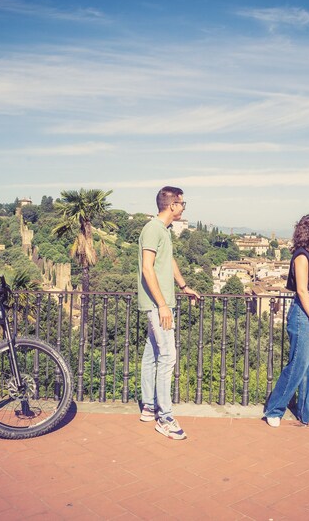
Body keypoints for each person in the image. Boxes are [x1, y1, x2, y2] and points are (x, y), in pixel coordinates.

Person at [138, 186, 200, 440]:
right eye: (183, 204)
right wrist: (163, 304)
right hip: (157, 305)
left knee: (152, 354)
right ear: (172, 205)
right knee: (168, 357)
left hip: (160, 302)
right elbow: (147, 268)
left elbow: (168, 261)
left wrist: (184, 286)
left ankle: (148, 407)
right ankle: (165, 418)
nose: (184, 208)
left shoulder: (163, 231)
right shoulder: (153, 229)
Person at [263, 214, 309, 428]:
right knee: (298, 364)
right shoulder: (301, 256)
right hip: (305, 312)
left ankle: (308, 412)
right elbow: (301, 290)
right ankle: (274, 409)